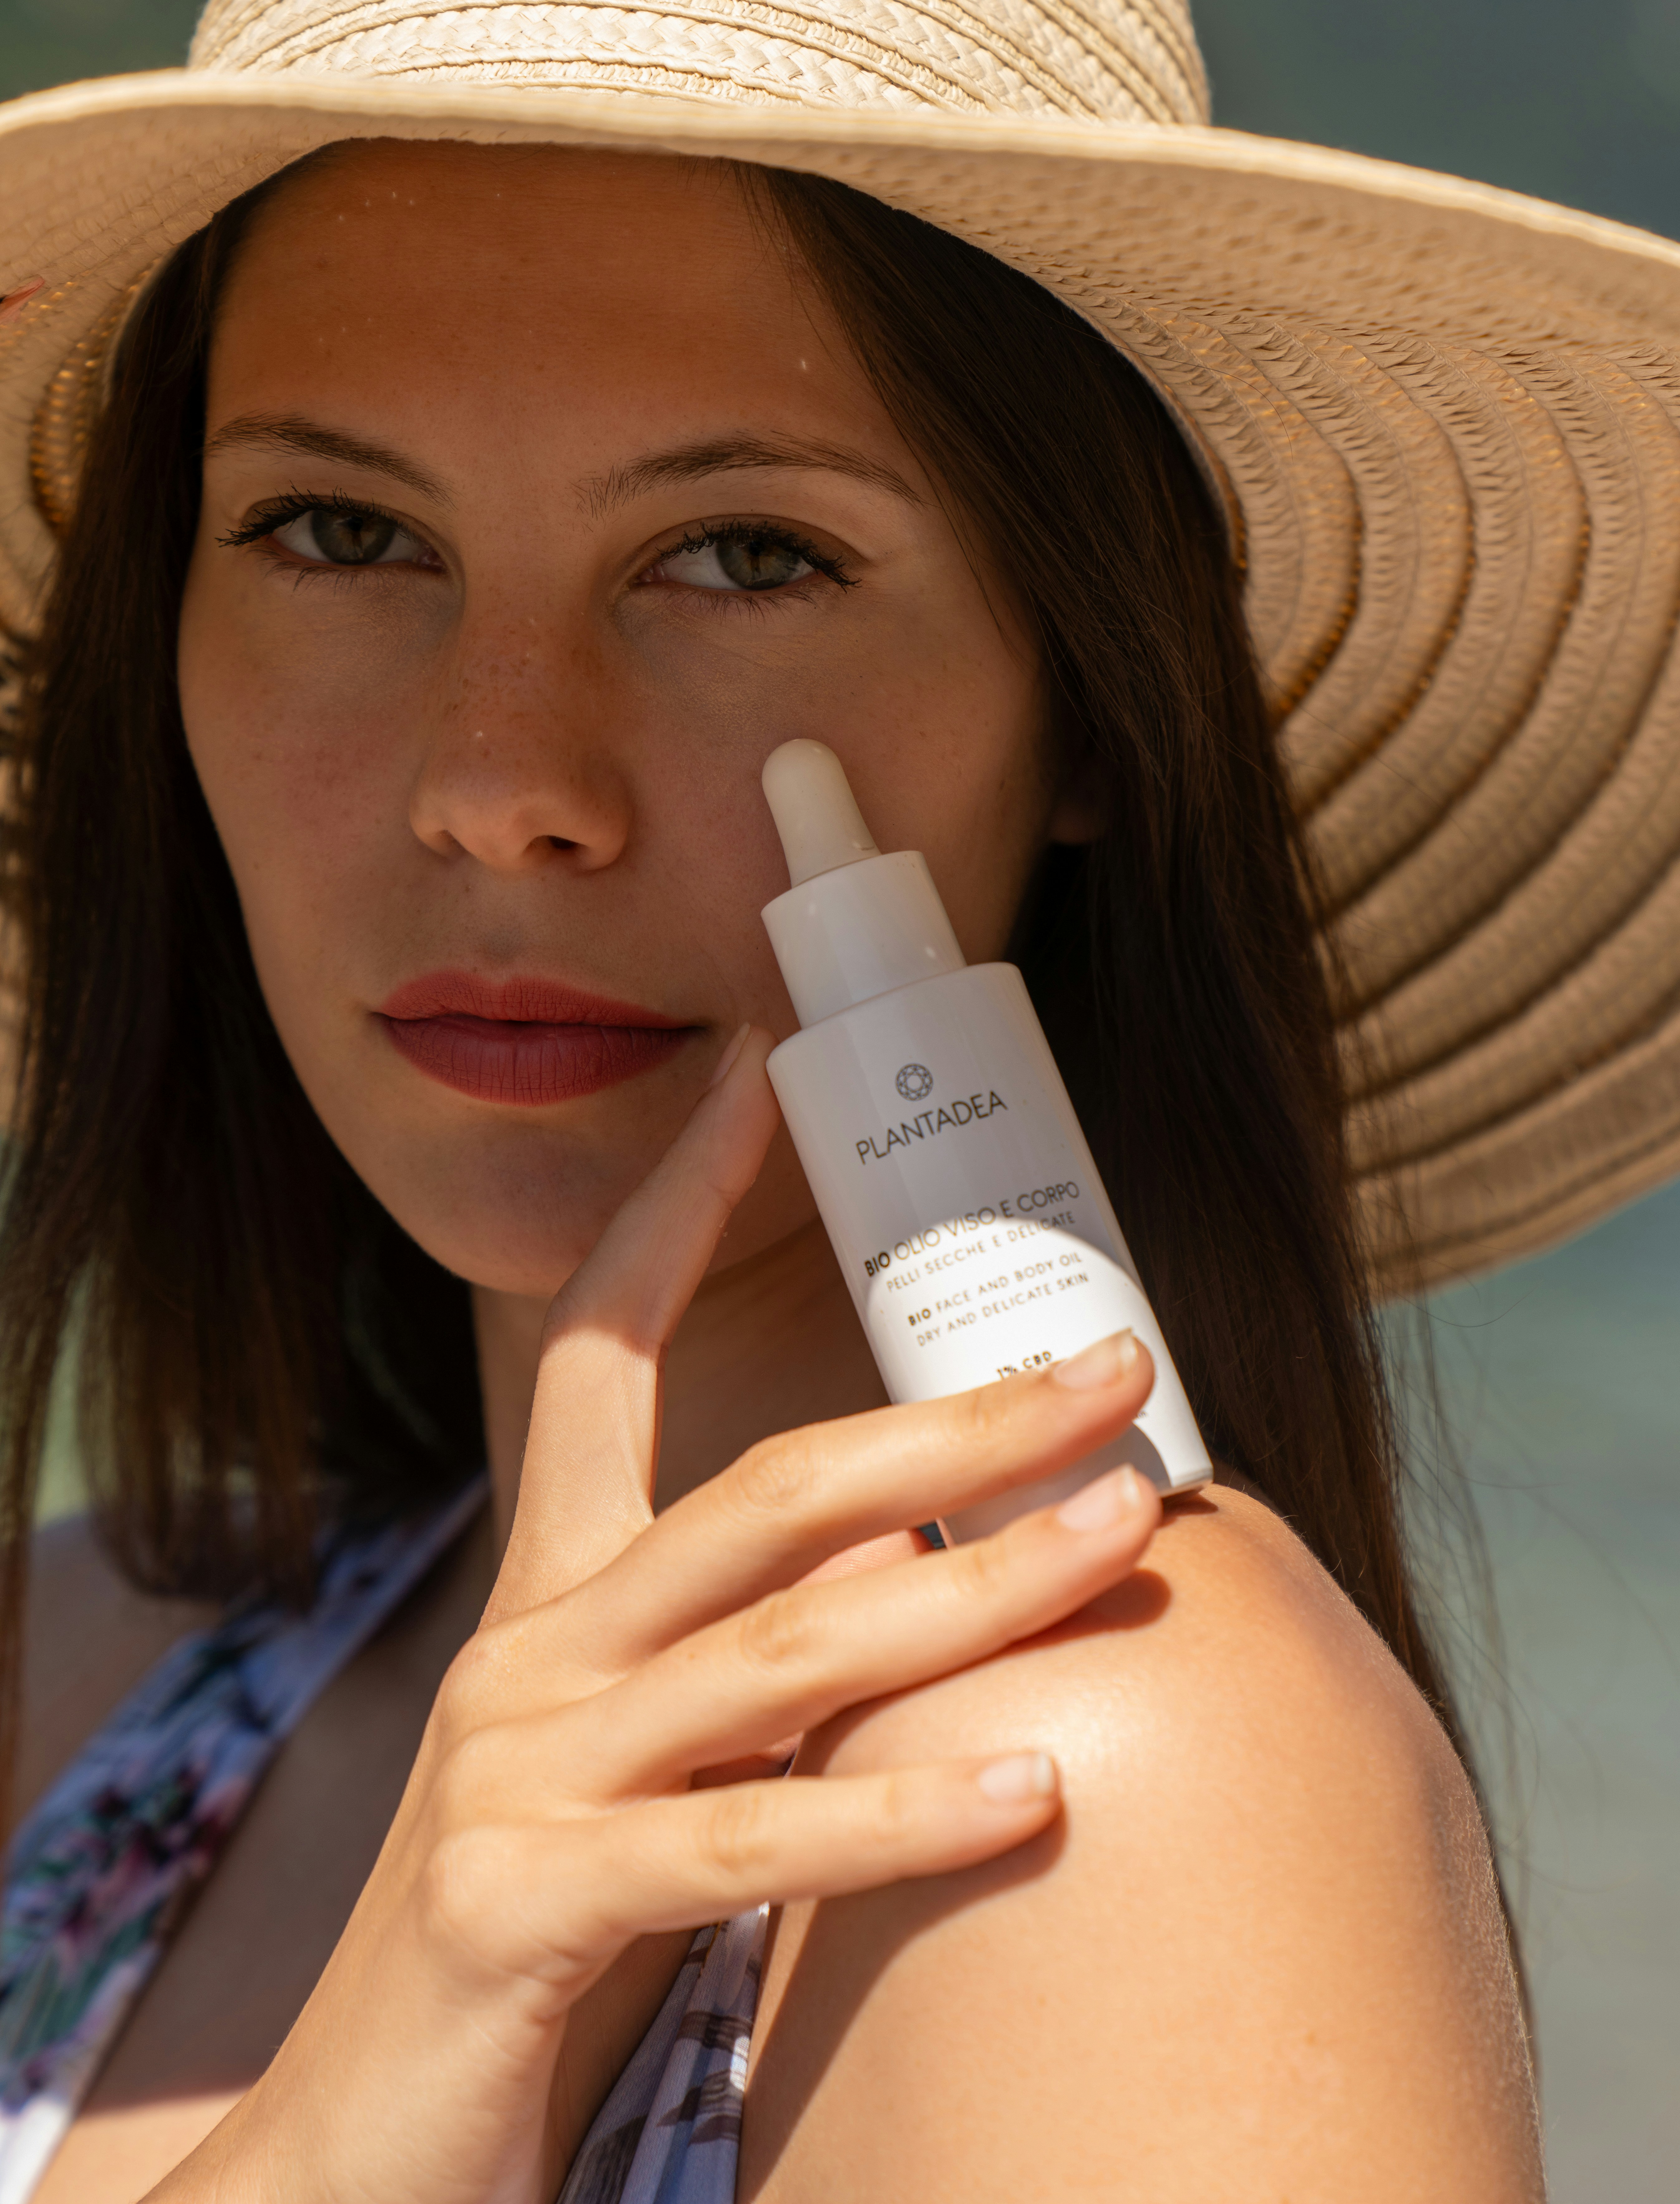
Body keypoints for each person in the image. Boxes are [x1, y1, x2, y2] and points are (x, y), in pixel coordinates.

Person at [9, 0, 1676, 2192]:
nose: (504, 785)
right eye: (336, 530)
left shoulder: (1104, 1774)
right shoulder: (95, 1652)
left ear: (1091, 711)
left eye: (747, 555)